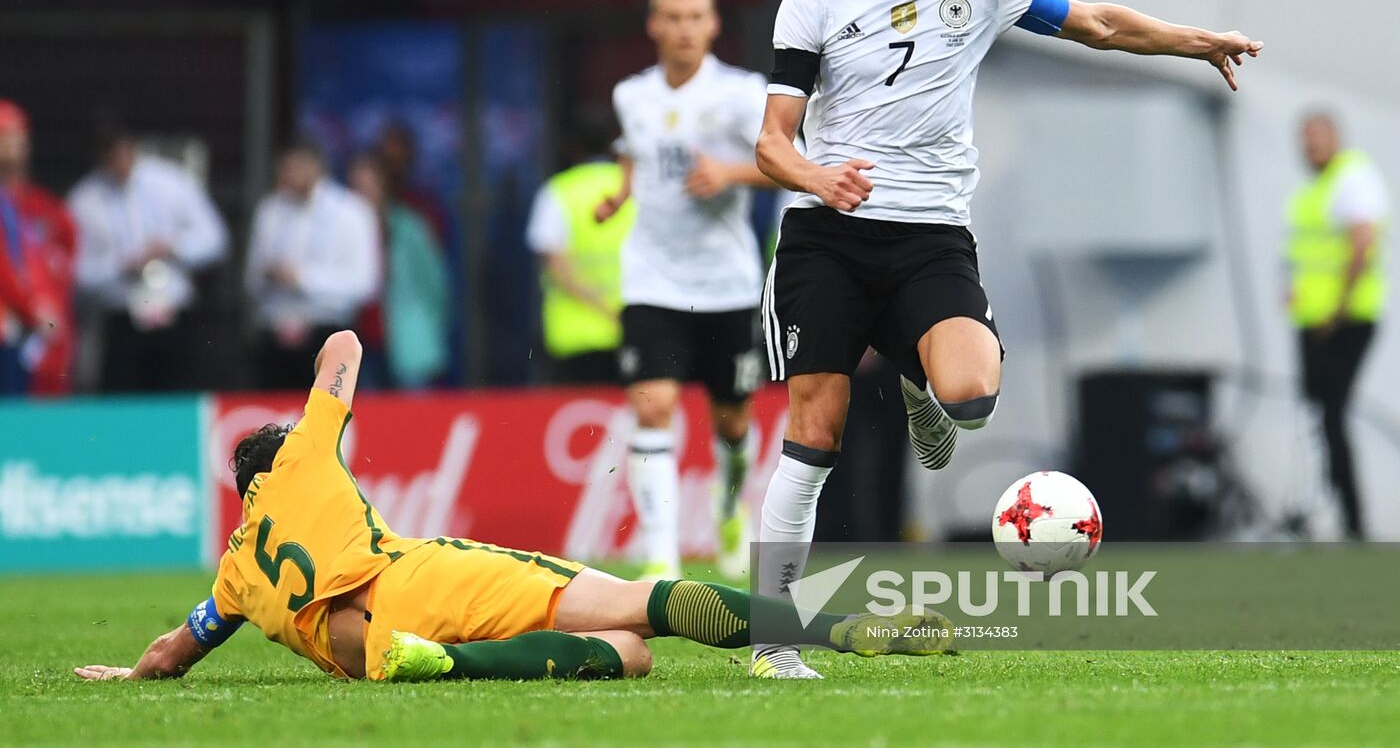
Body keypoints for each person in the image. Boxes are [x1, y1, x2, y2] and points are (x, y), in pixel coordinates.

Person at [752, 0, 1262, 679]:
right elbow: (773, 142)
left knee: (973, 398)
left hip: (930, 239)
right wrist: (818, 175)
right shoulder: (813, 0)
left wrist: (1196, 42)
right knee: (817, 433)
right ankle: (773, 641)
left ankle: (922, 380)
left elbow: (1094, 23)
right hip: (828, 235)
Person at [72, 329, 951, 684]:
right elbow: (342, 346)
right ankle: (841, 626)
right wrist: (318, 401)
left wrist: (125, 677)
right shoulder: (302, 450)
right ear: (279, 454)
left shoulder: (231, 572)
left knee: (630, 659)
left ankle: (443, 665)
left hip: (363, 647)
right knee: (645, 605)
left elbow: (168, 652)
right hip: (420, 577)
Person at [594, 0, 776, 581]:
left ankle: (729, 508)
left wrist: (729, 174)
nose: (684, 30)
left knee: (732, 421)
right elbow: (633, 150)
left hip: (726, 281)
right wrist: (620, 194)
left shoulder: (742, 93)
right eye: (672, 18)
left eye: (696, 17)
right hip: (652, 277)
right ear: (653, 25)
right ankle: (661, 559)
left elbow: (785, 163)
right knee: (653, 406)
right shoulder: (633, 94)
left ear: (714, 25)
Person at [1285, 112, 1387, 540]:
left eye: (1315, 138)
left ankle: (1349, 518)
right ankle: (1321, 508)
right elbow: (1311, 251)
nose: (1309, 147)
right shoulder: (1314, 189)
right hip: (1313, 320)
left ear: (1334, 137)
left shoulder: (1352, 177)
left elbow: (1362, 243)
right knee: (1318, 417)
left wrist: (1338, 310)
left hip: (1344, 321)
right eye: (1304, 140)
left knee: (1331, 416)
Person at [67, 125, 228, 393]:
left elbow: (214, 239)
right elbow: (78, 274)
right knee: (123, 402)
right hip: (122, 318)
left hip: (171, 311)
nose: (121, 163)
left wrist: (173, 248)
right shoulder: (84, 200)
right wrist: (120, 265)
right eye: (111, 156)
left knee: (178, 398)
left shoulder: (170, 181)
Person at [245, 140, 380, 391]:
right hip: (276, 333)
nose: (286, 176)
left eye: (293, 168)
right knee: (277, 421)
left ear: (314, 167)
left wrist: (304, 278)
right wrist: (271, 275)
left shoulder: (351, 211)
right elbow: (252, 279)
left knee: (325, 418)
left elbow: (366, 282)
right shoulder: (271, 210)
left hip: (326, 331)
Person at [525, 122, 635, 385]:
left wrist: (602, 308)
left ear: (573, 148)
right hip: (633, 328)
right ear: (613, 145)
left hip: (576, 335)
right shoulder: (632, 188)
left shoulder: (558, 191)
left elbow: (556, 266)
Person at [347, 152, 451, 390]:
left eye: (368, 186)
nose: (362, 195)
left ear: (383, 186)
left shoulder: (409, 226)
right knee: (366, 418)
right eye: (356, 188)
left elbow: (434, 283)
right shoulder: (343, 231)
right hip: (360, 340)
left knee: (415, 419)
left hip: (407, 340)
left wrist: (425, 329)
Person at [0, 100, 73, 395]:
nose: (20, 144)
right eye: (10, 136)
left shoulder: (35, 206)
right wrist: (32, 309)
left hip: (28, 335)